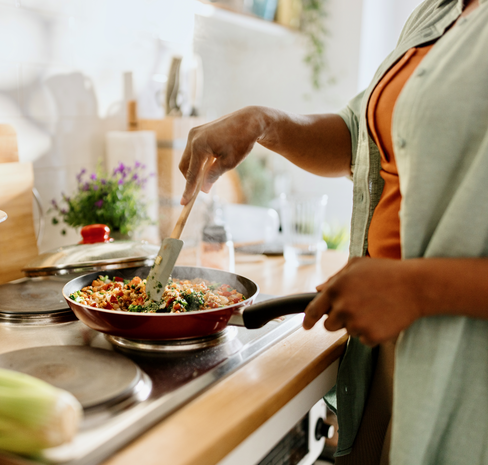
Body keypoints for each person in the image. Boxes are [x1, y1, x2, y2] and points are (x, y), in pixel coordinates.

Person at [178, 0, 488, 463]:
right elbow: (360, 136)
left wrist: (416, 289)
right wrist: (263, 122)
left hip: (465, 360)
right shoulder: (440, 10)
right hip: (389, 340)